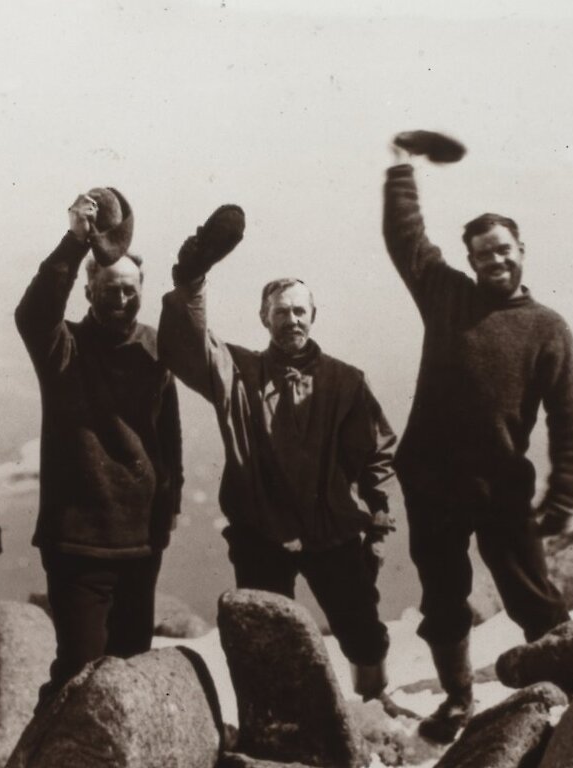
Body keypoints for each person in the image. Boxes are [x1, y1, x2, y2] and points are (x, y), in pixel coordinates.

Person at [381, 141, 573, 742]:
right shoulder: (448, 297)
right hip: (432, 482)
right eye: (483, 253)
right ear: (469, 260)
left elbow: (568, 422)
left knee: (534, 596)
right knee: (443, 599)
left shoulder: (548, 328)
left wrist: (563, 496)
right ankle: (457, 700)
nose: (494, 260)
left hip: (501, 485)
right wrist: (401, 170)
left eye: (504, 249)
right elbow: (406, 239)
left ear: (521, 252)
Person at [157, 206, 400, 701]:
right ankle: (276, 725)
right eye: (281, 311)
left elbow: (377, 456)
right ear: (263, 318)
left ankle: (375, 710)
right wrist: (192, 281)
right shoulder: (240, 374)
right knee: (267, 637)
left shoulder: (346, 381)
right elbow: (188, 346)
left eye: (299, 310)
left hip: (332, 530)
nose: (291, 319)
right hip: (261, 531)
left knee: (363, 632)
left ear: (313, 316)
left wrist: (378, 524)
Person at [15, 191, 183, 707]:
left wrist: (166, 515)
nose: (121, 299)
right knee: (79, 674)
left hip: (140, 542)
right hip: (77, 544)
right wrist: (75, 240)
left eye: (130, 290)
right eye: (109, 289)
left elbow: (168, 441)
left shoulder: (157, 348)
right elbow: (33, 311)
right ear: (87, 290)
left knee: (128, 674)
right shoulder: (63, 346)